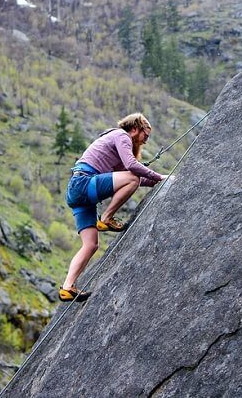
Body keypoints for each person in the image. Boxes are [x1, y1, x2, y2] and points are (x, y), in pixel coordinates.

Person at [60, 113, 166, 302]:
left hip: (78, 192)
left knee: (91, 244)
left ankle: (67, 287)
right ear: (135, 129)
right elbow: (132, 168)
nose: (145, 141)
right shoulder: (121, 136)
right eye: (145, 136)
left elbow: (129, 177)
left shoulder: (114, 145)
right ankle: (107, 218)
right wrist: (158, 176)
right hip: (84, 184)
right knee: (132, 176)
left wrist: (159, 180)